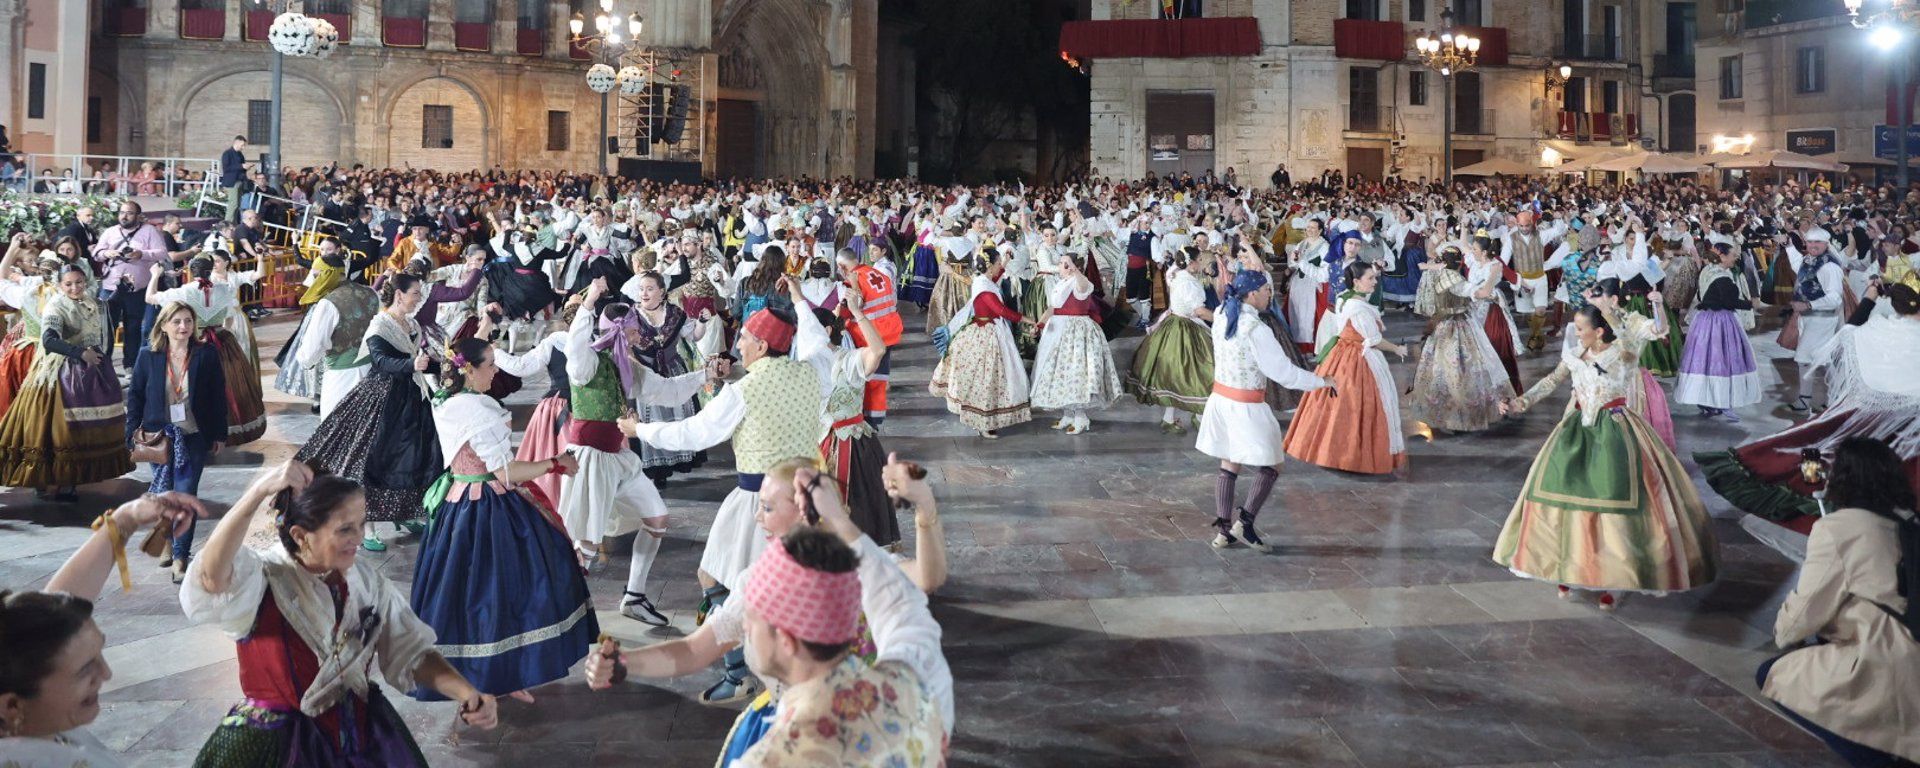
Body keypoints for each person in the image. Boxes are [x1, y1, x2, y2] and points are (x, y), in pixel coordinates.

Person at [582, 459, 951, 767]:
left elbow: (915, 585)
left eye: (769, 507)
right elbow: (902, 605)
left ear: (785, 640)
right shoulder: (911, 686)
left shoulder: (771, 758)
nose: (757, 516)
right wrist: (625, 664)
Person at [182, 461, 500, 765]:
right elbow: (212, 577)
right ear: (300, 536)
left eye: (361, 524)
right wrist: (256, 493)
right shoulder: (263, 579)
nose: (359, 538)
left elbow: (411, 649)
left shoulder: (365, 581)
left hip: (362, 737)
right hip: (278, 747)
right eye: (345, 529)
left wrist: (467, 692)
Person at [619, 307, 822, 704]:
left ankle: (742, 672)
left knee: (719, 579)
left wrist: (638, 429)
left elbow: (696, 433)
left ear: (762, 345)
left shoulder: (742, 392)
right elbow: (806, 356)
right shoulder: (810, 372)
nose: (738, 344)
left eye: (744, 338)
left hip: (757, 502)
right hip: (808, 498)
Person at [1492, 301, 1719, 610]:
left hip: (1615, 432)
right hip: (1575, 432)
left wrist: (1612, 309)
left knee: (1614, 502)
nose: (1577, 331)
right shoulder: (1573, 356)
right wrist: (1520, 403)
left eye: (1582, 327)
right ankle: (1568, 567)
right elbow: (1551, 382)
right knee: (1563, 496)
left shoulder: (1622, 355)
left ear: (1599, 331)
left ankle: (1614, 577)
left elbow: (1632, 338)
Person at [411, 336, 598, 702]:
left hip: (455, 501)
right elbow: (504, 473)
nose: (496, 370)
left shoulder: (448, 399)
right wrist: (556, 463)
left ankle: (495, 674)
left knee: (466, 594)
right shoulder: (478, 412)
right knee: (504, 590)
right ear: (469, 369)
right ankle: (503, 674)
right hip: (486, 507)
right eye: (490, 365)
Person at [0, 493, 203, 768]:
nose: (106, 674)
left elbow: (47, 623)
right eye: (85, 669)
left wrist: (127, 518)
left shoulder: (31, 716)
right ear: (11, 706)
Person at [558, 281, 718, 627]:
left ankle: (634, 595)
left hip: (619, 456)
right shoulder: (587, 362)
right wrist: (590, 300)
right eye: (633, 329)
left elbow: (668, 390)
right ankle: (560, 611)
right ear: (619, 330)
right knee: (585, 542)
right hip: (591, 459)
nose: (638, 335)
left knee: (657, 518)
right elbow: (574, 345)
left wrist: (706, 373)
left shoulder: (628, 366)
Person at [1697, 283, 1920, 523]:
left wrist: (1868, 300)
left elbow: (1847, 332)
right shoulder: (1894, 332)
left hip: (1871, 413)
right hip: (1906, 422)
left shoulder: (1879, 331)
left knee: (1820, 447)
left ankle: (1815, 491)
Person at [1758, 437, 1920, 767]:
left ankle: (1875, 755)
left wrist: (1784, 636)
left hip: (1886, 660)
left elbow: (1805, 610)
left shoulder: (1839, 528)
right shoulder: (1910, 520)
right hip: (1912, 646)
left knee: (1774, 675)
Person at [294, 273, 443, 551]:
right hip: (382, 398)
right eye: (415, 294)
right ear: (399, 295)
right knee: (374, 460)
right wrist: (413, 366)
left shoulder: (410, 324)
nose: (418, 299)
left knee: (414, 455)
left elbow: (418, 361)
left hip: (411, 397)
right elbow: (382, 361)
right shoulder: (380, 325)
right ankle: (369, 525)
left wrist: (446, 365)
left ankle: (405, 512)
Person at [1197, 270, 1333, 552]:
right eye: (1266, 290)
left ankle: (1223, 530)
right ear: (1252, 294)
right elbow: (1283, 373)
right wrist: (1321, 381)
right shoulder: (1256, 329)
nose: (1270, 294)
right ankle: (1244, 523)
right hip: (1246, 405)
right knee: (1272, 464)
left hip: (1221, 399)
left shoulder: (1223, 313)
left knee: (1229, 462)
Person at [0, 264, 131, 501]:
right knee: (57, 427)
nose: (74, 288)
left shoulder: (93, 302)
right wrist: (80, 353)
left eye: (79, 282)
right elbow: (49, 340)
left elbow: (106, 324)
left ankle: (73, 479)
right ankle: (45, 479)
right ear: (60, 285)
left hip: (94, 370)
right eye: (68, 284)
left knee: (86, 428)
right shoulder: (56, 305)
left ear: (86, 282)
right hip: (61, 370)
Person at [790, 278, 898, 546]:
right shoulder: (808, 362)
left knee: (858, 508)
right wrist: (797, 295)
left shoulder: (849, 360)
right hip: (819, 444)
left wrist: (858, 312)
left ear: (827, 330)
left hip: (853, 447)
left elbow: (879, 350)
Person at [125, 301, 228, 582]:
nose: (184, 327)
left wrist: (219, 433)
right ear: (163, 325)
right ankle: (168, 543)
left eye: (188, 321)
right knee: (163, 496)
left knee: (185, 497)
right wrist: (131, 433)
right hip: (159, 437)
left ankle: (181, 556)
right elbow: (135, 396)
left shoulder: (206, 354)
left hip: (192, 436)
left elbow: (218, 395)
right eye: (177, 322)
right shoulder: (149, 355)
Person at [1284, 261, 1409, 475]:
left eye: (1374, 277)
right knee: (1357, 403)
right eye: (1370, 278)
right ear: (1357, 281)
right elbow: (1373, 339)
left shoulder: (1345, 297)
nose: (1374, 281)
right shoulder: (1357, 307)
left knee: (1338, 405)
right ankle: (1352, 455)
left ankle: (1332, 452)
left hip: (1341, 354)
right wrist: (1398, 349)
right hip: (1357, 357)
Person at [142, 257, 267, 446]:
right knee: (227, 386)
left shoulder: (184, 291)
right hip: (222, 341)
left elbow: (150, 298)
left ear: (191, 271)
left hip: (195, 342)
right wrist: (222, 331)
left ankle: (196, 431)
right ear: (211, 270)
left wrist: (155, 275)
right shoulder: (224, 289)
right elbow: (230, 317)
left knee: (194, 387)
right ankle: (225, 431)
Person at [617, 270, 713, 480]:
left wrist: (702, 323)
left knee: (676, 418)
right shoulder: (630, 315)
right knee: (649, 422)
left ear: (662, 292)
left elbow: (694, 336)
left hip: (672, 370)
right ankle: (657, 471)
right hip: (644, 373)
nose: (644, 293)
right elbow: (624, 347)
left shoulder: (675, 314)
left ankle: (678, 459)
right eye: (641, 289)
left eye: (650, 289)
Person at [1408, 245, 1515, 433]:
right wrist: (1493, 275)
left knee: (1442, 369)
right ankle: (1458, 416)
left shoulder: (1439, 274)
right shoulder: (1453, 279)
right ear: (1458, 263)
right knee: (1460, 370)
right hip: (1457, 327)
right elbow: (1481, 293)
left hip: (1444, 325)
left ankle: (1446, 412)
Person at [928, 258, 1031, 438]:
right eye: (998, 263)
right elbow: (1001, 310)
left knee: (988, 376)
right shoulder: (984, 289)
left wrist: (1004, 262)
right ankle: (982, 421)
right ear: (990, 266)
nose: (1000, 266)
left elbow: (994, 279)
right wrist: (1026, 319)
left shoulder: (981, 280)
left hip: (987, 330)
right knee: (987, 376)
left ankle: (986, 416)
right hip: (987, 335)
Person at [1126, 246, 1215, 433]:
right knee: (1198, 372)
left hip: (1174, 324)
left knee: (1174, 376)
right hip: (1185, 327)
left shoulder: (1176, 274)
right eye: (1199, 260)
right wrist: (1222, 319)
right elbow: (1199, 311)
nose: (1201, 263)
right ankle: (1197, 415)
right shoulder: (1188, 283)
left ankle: (1173, 418)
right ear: (1191, 263)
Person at [1029, 254, 1121, 434]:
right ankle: (1068, 414)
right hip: (1057, 330)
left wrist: (1075, 268)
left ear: (1072, 267)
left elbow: (1083, 286)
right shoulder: (1060, 283)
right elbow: (1052, 308)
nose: (1060, 267)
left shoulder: (1081, 282)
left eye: (1064, 264)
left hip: (1076, 331)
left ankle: (1080, 417)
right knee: (1060, 374)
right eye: (1062, 264)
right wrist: (1039, 325)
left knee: (1075, 373)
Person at [287, 247, 380, 417]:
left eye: (316, 276)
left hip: (342, 376)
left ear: (327, 275)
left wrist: (305, 361)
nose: (313, 281)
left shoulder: (328, 303)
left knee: (337, 429)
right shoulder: (371, 293)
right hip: (373, 372)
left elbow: (311, 349)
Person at [1675, 241, 1760, 421]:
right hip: (1720, 321)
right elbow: (1729, 302)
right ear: (1722, 256)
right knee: (1722, 360)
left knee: (1704, 361)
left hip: (1703, 321)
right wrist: (1750, 304)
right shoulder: (1721, 277)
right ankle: (1722, 401)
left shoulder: (1707, 271)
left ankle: (1706, 400)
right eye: (1732, 255)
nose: (1735, 258)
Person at [91, 200, 169, 370]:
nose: (124, 216)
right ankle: (104, 367)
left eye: (129, 213)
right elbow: (96, 254)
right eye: (122, 212)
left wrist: (141, 254)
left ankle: (129, 366)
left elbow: (162, 253)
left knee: (132, 328)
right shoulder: (110, 232)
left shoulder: (149, 231)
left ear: (138, 216)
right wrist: (107, 253)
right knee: (106, 328)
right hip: (110, 288)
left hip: (137, 289)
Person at [1781, 227, 1847, 413]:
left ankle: (1814, 400)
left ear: (1826, 244)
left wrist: (1809, 305)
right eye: (1809, 242)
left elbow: (1835, 298)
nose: (1812, 245)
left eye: (1817, 242)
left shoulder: (1829, 267)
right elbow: (1797, 264)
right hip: (1811, 319)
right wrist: (1788, 245)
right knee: (1820, 360)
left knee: (1808, 359)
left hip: (1822, 320)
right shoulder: (1810, 259)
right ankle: (1833, 399)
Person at [219, 136, 248, 224]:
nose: (243, 147)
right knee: (233, 203)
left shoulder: (240, 154)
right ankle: (227, 223)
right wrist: (241, 166)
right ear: (237, 142)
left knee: (238, 205)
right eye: (242, 145)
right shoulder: (227, 153)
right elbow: (226, 168)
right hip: (232, 182)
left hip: (239, 181)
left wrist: (245, 167)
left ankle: (234, 223)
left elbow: (240, 168)